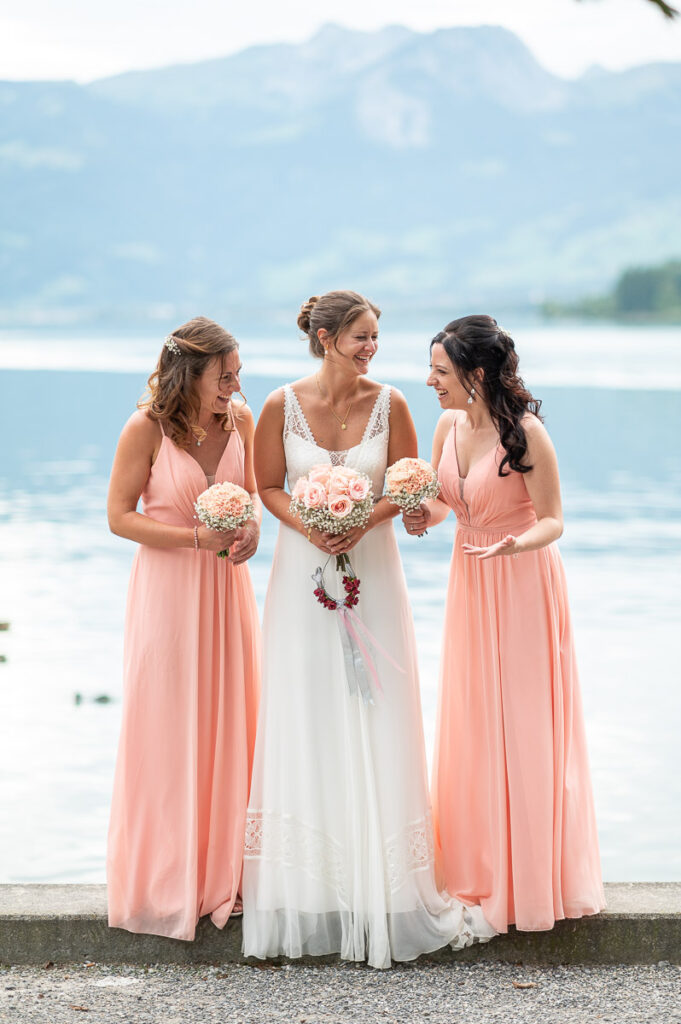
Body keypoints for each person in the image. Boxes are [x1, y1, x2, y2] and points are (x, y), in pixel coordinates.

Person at [242, 291, 495, 969]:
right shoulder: (277, 406)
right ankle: (308, 890)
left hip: (374, 577)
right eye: (361, 335)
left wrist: (368, 518)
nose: (372, 347)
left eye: (376, 335)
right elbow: (267, 486)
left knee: (376, 707)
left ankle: (384, 891)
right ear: (324, 338)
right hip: (300, 578)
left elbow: (409, 487)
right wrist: (309, 523)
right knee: (307, 710)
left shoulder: (394, 406)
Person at [404, 314, 605, 933]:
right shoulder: (447, 424)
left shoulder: (527, 433)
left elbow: (553, 520)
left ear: (476, 374)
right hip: (470, 581)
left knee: (522, 724)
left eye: (440, 370)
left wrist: (513, 547)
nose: (430, 381)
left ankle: (531, 881)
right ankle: (481, 869)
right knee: (474, 720)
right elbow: (450, 498)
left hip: (520, 584)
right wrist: (423, 515)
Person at [106, 316, 261, 940]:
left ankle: (227, 873)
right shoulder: (145, 428)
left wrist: (250, 531)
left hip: (227, 592)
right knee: (168, 726)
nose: (234, 385)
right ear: (191, 372)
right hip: (168, 593)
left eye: (238, 374)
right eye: (224, 375)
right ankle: (169, 879)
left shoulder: (241, 422)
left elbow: (250, 498)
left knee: (230, 719)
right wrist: (195, 537)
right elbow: (118, 517)